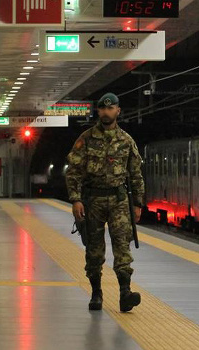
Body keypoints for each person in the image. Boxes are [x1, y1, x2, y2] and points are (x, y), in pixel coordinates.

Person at [65, 92, 144, 312]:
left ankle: (125, 293)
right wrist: (76, 200)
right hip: (93, 201)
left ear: (118, 111)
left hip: (119, 201)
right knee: (94, 250)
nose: (107, 112)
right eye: (103, 108)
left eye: (111, 108)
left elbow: (136, 173)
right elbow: (73, 171)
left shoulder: (126, 140)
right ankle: (96, 293)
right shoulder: (86, 139)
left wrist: (137, 203)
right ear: (98, 111)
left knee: (122, 248)